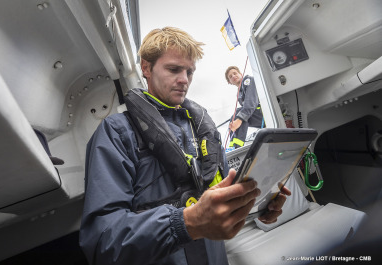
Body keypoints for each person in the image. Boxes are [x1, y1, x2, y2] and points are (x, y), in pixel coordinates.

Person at [79, 27, 290, 265]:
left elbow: (221, 197)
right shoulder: (117, 132)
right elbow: (102, 243)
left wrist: (258, 206)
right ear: (146, 68)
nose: (184, 80)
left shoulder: (203, 130)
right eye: (174, 69)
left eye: (190, 72)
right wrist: (186, 223)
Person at [225, 66, 264, 149]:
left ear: (240, 74)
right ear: (230, 82)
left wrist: (239, 120)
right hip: (258, 117)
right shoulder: (239, 93)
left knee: (239, 114)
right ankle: (232, 146)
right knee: (234, 117)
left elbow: (251, 103)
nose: (233, 76)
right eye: (230, 76)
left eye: (235, 73)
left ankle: (237, 146)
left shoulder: (248, 80)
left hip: (265, 114)